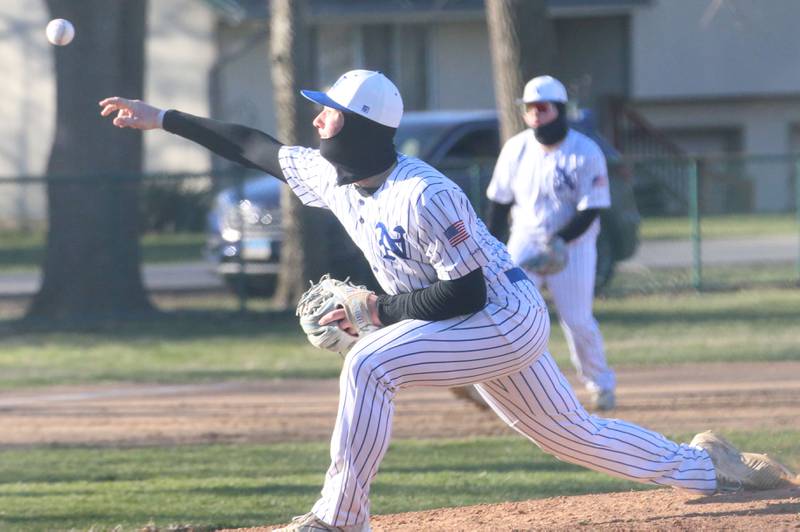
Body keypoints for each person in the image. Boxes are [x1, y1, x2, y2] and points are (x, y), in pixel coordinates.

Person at [100, 70, 784, 532]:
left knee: (370, 365)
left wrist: (375, 314)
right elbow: (255, 146)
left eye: (328, 111)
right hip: (464, 318)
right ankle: (713, 466)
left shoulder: (424, 192)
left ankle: (340, 517)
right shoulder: (333, 176)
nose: (317, 119)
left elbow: (467, 290)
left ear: (359, 124)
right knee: (572, 434)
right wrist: (162, 118)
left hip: (501, 316)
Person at [486, 75, 617, 411]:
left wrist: (561, 241)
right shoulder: (516, 148)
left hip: (573, 245)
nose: (535, 116)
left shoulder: (585, 151)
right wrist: (489, 247)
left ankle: (600, 383)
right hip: (525, 240)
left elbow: (593, 208)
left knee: (576, 319)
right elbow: (500, 203)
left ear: (559, 110)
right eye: (529, 110)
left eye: (542, 109)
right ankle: (502, 382)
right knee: (507, 312)